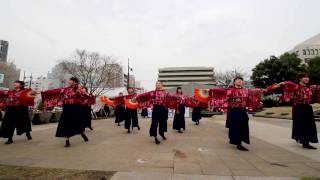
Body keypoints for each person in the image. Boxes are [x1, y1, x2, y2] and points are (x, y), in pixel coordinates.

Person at [206, 77, 270, 151]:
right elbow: (220, 91)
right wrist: (210, 90)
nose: (240, 81)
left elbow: (257, 91)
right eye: (238, 80)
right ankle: (238, 143)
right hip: (234, 110)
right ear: (234, 82)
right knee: (236, 127)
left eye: (241, 80)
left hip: (243, 110)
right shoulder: (230, 90)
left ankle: (240, 141)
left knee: (243, 126)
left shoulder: (246, 90)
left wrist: (267, 89)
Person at [272, 73, 320, 149]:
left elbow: (318, 87)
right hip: (298, 108)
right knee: (301, 125)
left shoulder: (310, 87)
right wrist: (280, 84)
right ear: (300, 79)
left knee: (309, 125)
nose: (307, 79)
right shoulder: (295, 86)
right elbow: (287, 83)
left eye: (308, 77)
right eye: (305, 77)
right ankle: (304, 142)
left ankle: (305, 141)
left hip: (307, 107)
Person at [41, 77, 90, 147]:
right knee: (65, 124)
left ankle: (82, 133)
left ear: (75, 82)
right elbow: (55, 91)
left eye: (71, 80)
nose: (69, 81)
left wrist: (79, 92)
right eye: (69, 80)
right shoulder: (64, 89)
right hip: (67, 108)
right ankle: (67, 141)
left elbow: (84, 95)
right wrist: (45, 92)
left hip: (76, 108)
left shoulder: (79, 89)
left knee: (77, 123)